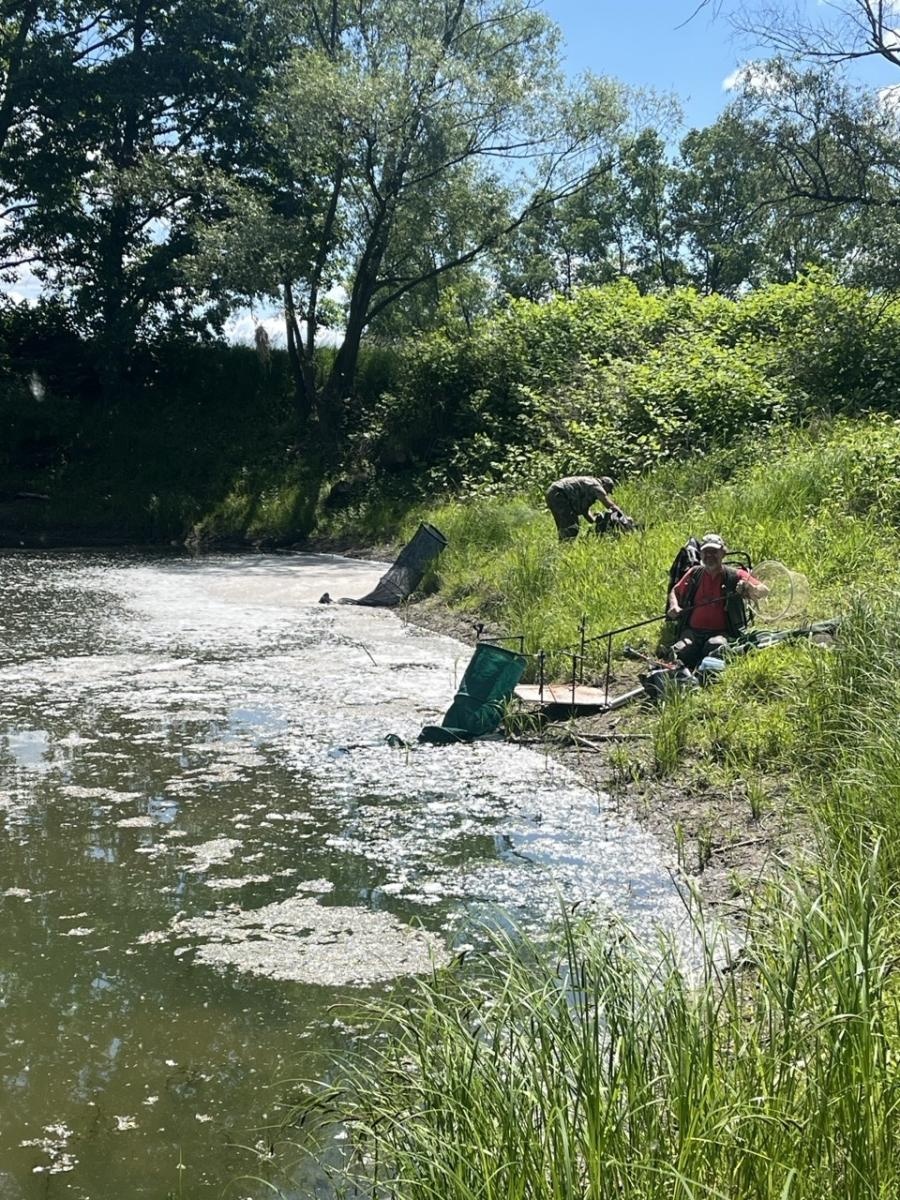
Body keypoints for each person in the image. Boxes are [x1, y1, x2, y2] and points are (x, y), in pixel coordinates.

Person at [666, 533, 768, 669]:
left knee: (715, 646)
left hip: (721, 633)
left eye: (714, 552)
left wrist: (748, 587)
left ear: (723, 553)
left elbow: (764, 590)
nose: (709, 556)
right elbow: (675, 591)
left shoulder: (735, 575)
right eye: (705, 552)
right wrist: (674, 606)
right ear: (700, 554)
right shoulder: (694, 572)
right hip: (692, 631)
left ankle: (702, 671)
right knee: (680, 650)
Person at [545, 474, 622, 541]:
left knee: (564, 527)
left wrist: (596, 521)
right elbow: (610, 505)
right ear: (605, 485)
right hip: (559, 494)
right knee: (572, 528)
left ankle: (562, 548)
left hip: (552, 492)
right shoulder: (596, 485)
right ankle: (565, 549)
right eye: (608, 490)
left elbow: (584, 511)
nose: (607, 493)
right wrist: (622, 517)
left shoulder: (588, 484)